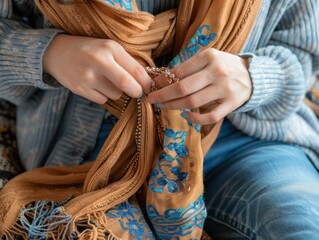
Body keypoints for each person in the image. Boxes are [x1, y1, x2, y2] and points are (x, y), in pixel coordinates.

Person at [0, 0, 319, 239]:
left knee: (301, 226)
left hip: (240, 139)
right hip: (94, 154)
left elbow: (305, 53)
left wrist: (253, 77)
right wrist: (48, 54)